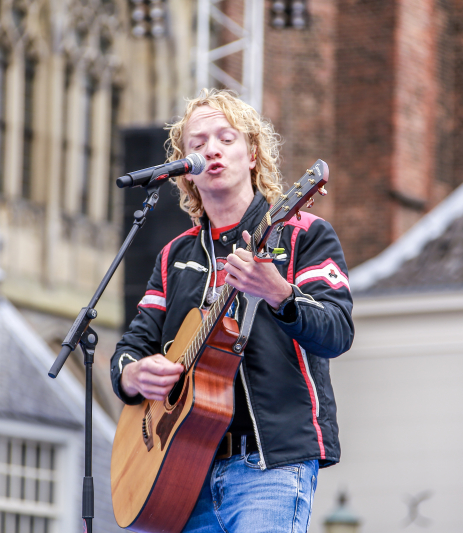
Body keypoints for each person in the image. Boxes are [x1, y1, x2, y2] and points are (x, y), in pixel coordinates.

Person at [109, 89, 354, 533]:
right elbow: (131, 347)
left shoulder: (303, 235)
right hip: (181, 471)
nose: (211, 150)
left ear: (253, 153)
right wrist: (131, 375)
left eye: (225, 138)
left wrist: (280, 294)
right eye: (197, 144)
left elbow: (337, 331)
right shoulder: (173, 256)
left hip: (271, 465)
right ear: (185, 170)